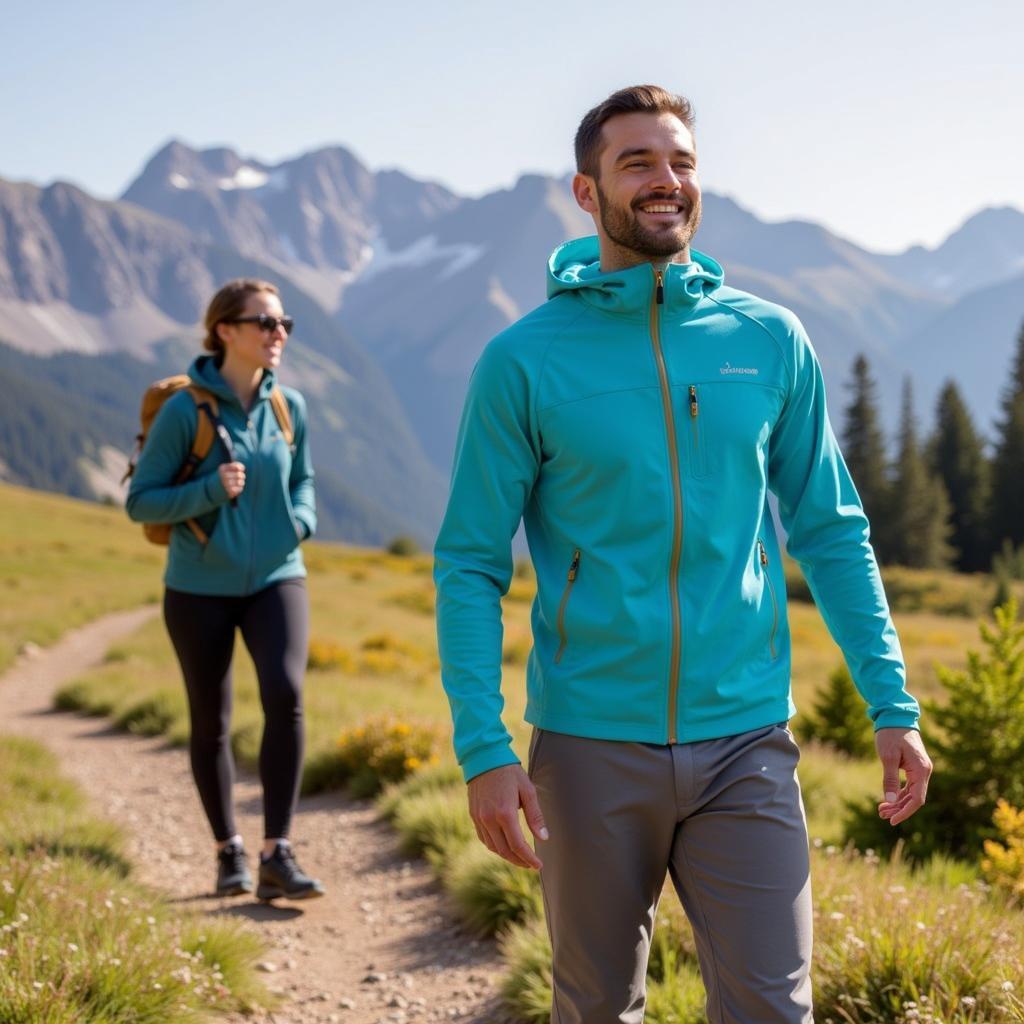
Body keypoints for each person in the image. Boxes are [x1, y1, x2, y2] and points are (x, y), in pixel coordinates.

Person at [434, 86, 932, 1022]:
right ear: (586, 193)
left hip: (745, 738)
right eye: (638, 164)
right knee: (596, 1009)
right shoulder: (524, 360)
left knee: (773, 1010)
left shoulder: (767, 339)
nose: (667, 181)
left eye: (682, 163)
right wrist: (482, 748)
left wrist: (891, 702)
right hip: (587, 744)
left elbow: (830, 529)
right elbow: (469, 562)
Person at [127, 278, 324, 902]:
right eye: (265, 322)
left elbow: (306, 480)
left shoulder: (289, 405)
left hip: (276, 577)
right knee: (211, 722)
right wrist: (212, 489)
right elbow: (140, 500)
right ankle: (228, 853)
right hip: (197, 588)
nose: (280, 333)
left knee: (286, 696)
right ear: (225, 332)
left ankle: (278, 853)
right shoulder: (187, 412)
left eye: (284, 322)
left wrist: (302, 521)